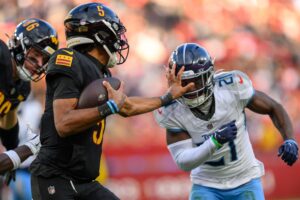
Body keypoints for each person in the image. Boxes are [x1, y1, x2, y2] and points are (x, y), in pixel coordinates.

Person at [29, 3, 193, 200]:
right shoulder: (68, 59)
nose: (118, 40)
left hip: (83, 181)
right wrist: (108, 107)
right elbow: (64, 123)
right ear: (100, 35)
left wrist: (168, 97)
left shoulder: (100, 71)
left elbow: (127, 106)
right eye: (114, 33)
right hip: (55, 177)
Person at [154, 43, 299, 200]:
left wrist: (290, 139)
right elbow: (183, 161)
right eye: (184, 82)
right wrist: (214, 141)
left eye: (196, 81)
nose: (191, 88)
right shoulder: (171, 110)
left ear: (208, 75)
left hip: (246, 180)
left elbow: (273, 107)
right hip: (206, 185)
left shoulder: (231, 87)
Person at [0, 18, 58, 183]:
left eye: (45, 59)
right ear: (19, 47)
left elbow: (8, 119)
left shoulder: (21, 87)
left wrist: (12, 153)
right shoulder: (2, 55)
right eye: (36, 55)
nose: (39, 63)